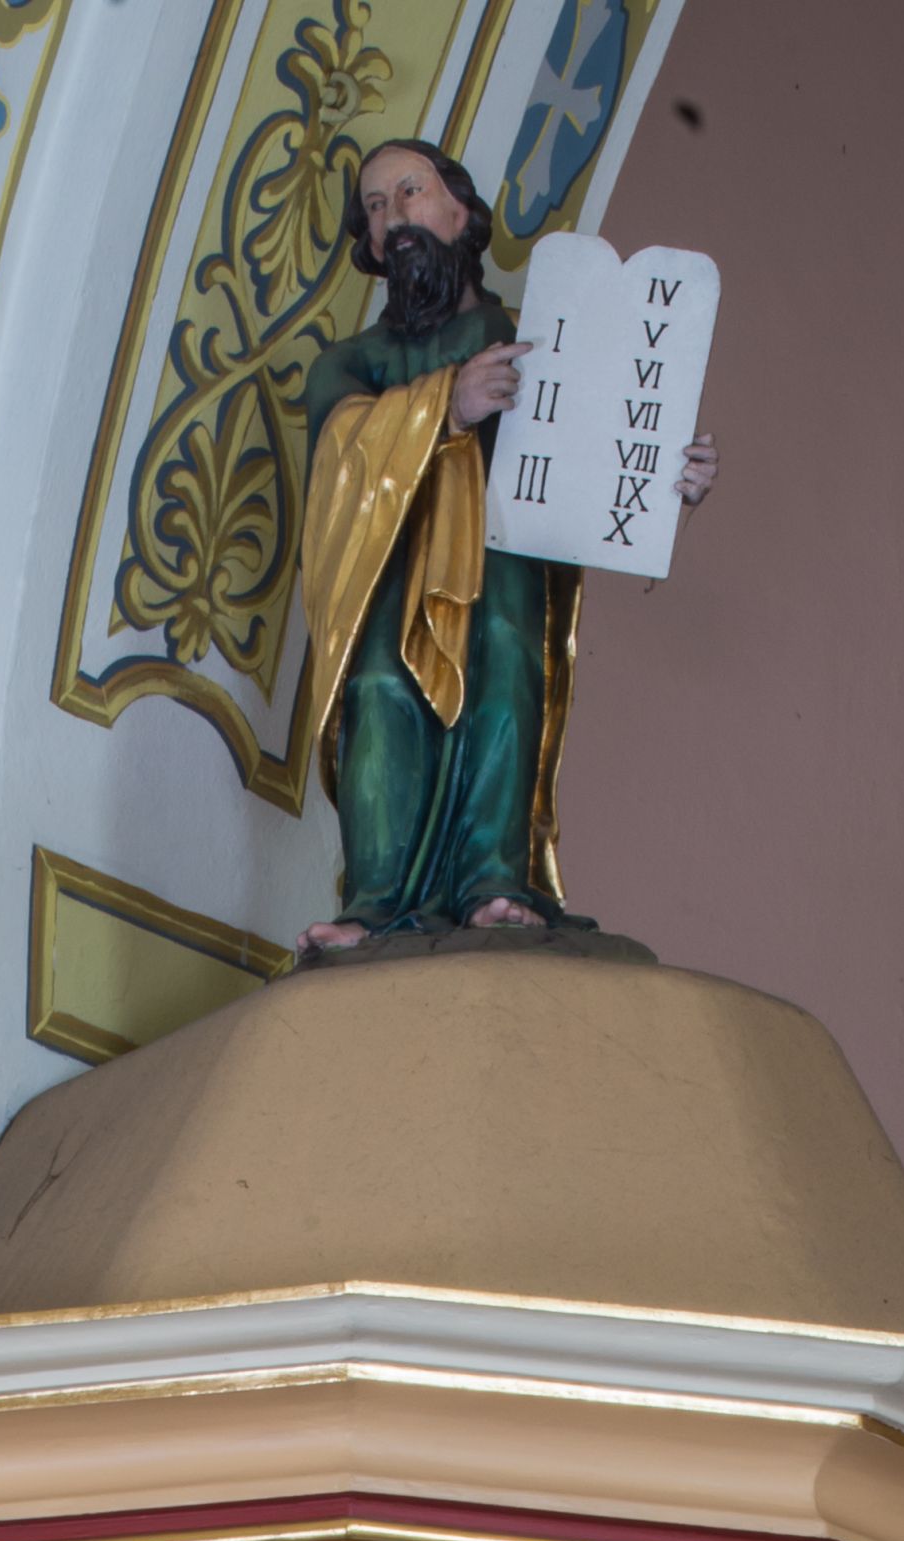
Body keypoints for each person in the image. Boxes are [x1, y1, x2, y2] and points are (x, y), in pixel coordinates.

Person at [293, 138, 713, 951]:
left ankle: (493, 882)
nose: (394, 218)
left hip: (505, 564)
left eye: (410, 192)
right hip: (390, 573)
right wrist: (448, 403)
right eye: (375, 208)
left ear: (461, 213)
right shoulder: (352, 362)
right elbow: (339, 458)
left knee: (506, 669)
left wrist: (671, 481)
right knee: (379, 690)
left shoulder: (536, 342)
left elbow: (601, 453)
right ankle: (373, 904)